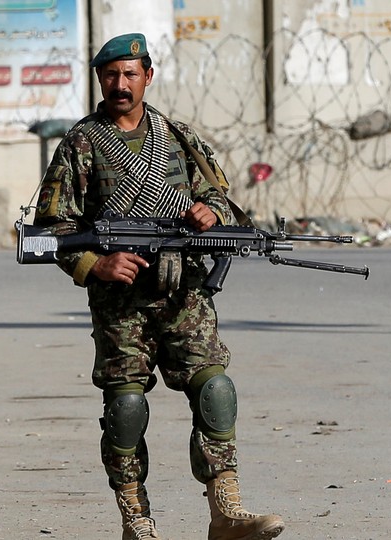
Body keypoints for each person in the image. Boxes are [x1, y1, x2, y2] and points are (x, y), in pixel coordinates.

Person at [32, 33, 285, 540]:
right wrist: (95, 266)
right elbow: (49, 228)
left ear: (148, 76)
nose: (120, 85)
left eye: (130, 74)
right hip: (119, 305)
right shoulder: (82, 143)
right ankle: (136, 519)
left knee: (216, 389)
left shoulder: (178, 137)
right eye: (110, 75)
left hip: (183, 294)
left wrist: (208, 211)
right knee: (125, 409)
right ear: (100, 79)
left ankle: (225, 511)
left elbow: (220, 196)